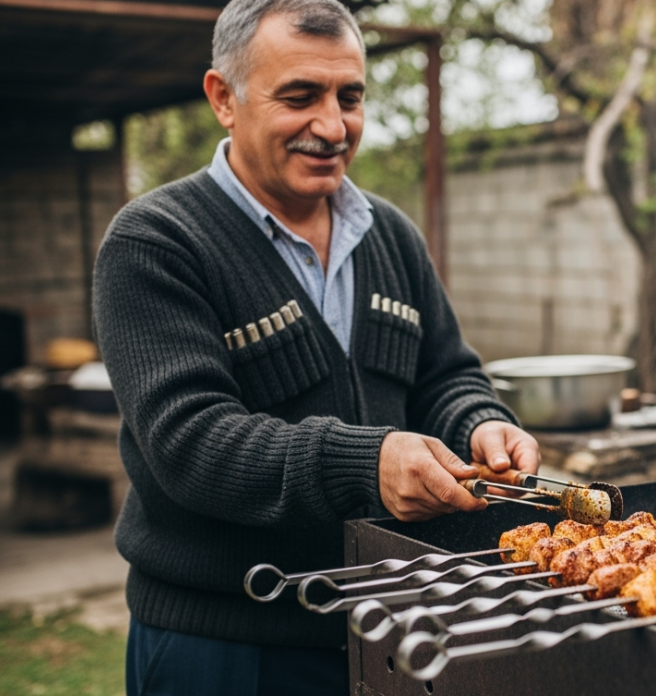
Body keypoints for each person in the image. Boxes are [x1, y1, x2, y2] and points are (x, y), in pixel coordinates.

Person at [92, 1, 539, 693]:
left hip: (387, 630)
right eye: (300, 97)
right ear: (224, 99)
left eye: (349, 97)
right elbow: (190, 442)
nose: (332, 127)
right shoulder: (155, 242)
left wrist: (481, 424)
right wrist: (368, 462)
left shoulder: (389, 234)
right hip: (223, 644)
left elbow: (445, 375)